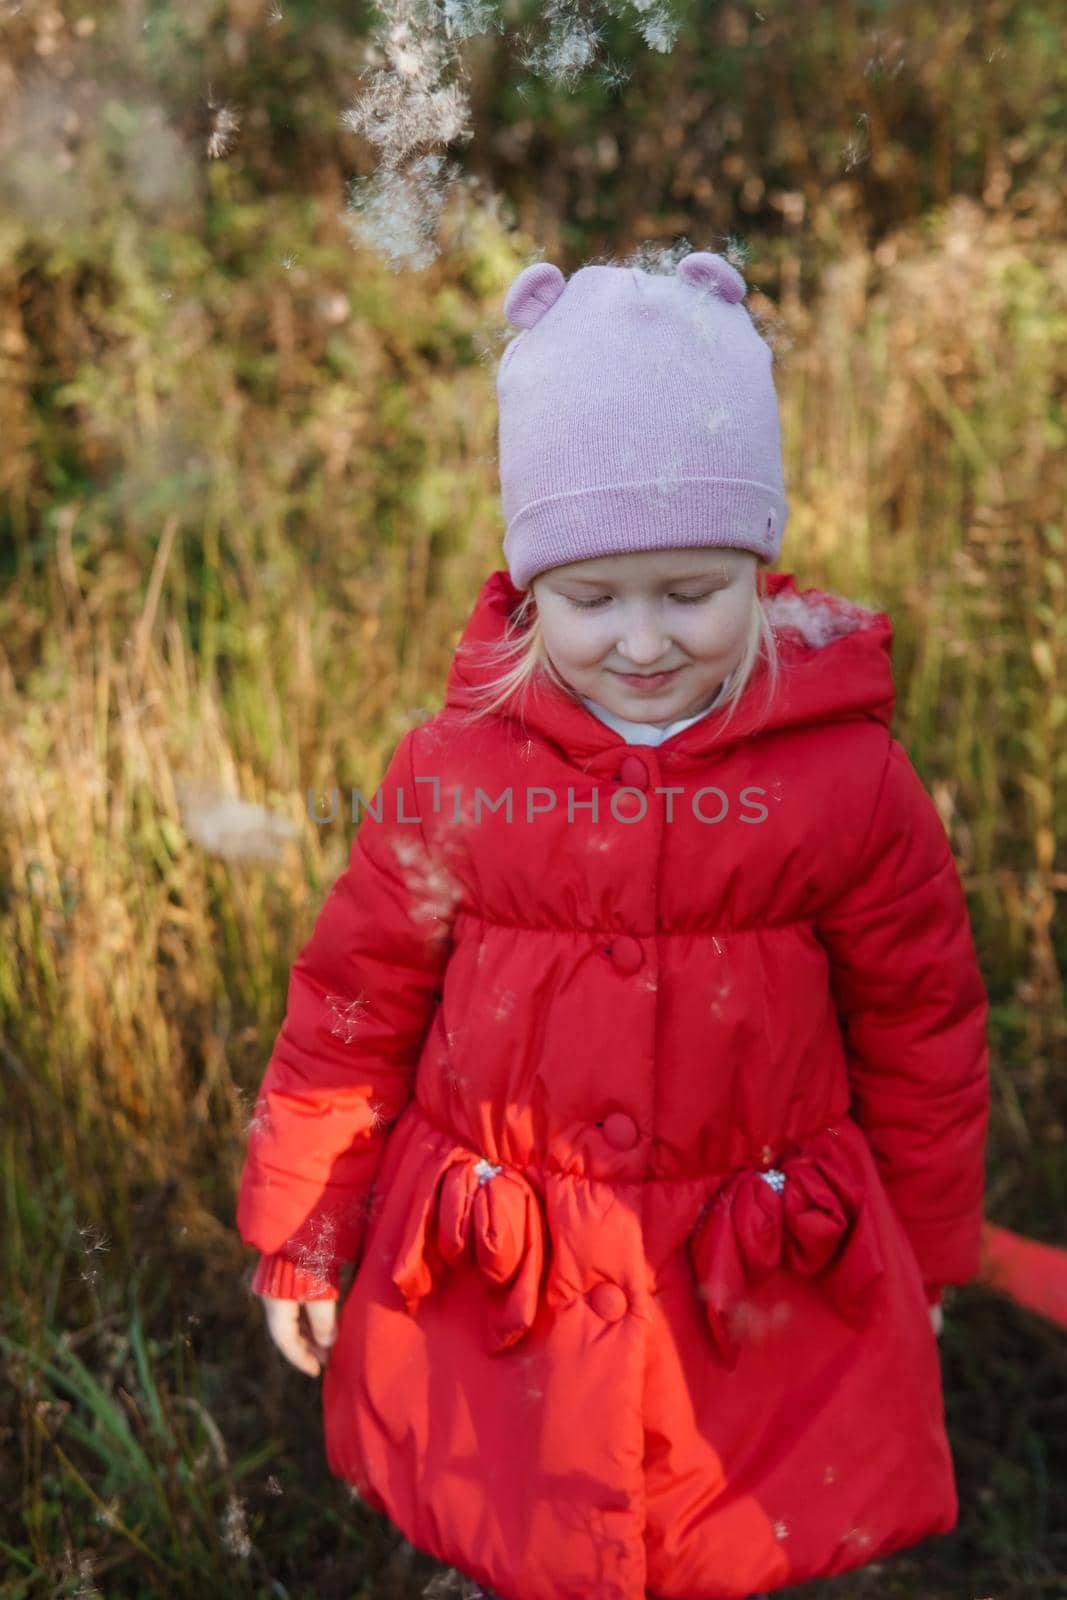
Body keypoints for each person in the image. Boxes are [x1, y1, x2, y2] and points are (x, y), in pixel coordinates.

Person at [235, 252, 989, 1600]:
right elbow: (352, 1008)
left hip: (756, 1277)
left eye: (689, 592)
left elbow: (922, 1029)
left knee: (732, 1531)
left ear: (761, 568)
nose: (642, 642)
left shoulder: (849, 782)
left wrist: (928, 1246)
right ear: (531, 589)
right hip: (507, 1286)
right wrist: (305, 1225)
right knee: (521, 1537)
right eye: (592, 599)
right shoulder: (454, 775)